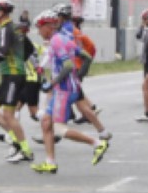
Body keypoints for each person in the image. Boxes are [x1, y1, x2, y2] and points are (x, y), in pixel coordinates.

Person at [31, 11, 111, 174]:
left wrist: (51, 84)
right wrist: (79, 76)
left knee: (58, 128)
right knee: (46, 123)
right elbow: (87, 56)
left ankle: (97, 143)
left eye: (39, 28)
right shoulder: (64, 38)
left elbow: (67, 66)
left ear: (47, 26)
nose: (38, 32)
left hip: (63, 90)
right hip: (70, 87)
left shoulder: (56, 41)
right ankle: (50, 162)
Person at [0, 0, 33, 164]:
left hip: (13, 75)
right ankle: (13, 138)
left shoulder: (6, 28)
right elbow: (30, 49)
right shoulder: (16, 28)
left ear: (1, 12)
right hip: (9, 75)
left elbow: (3, 51)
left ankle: (25, 150)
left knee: (8, 115)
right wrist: (20, 59)